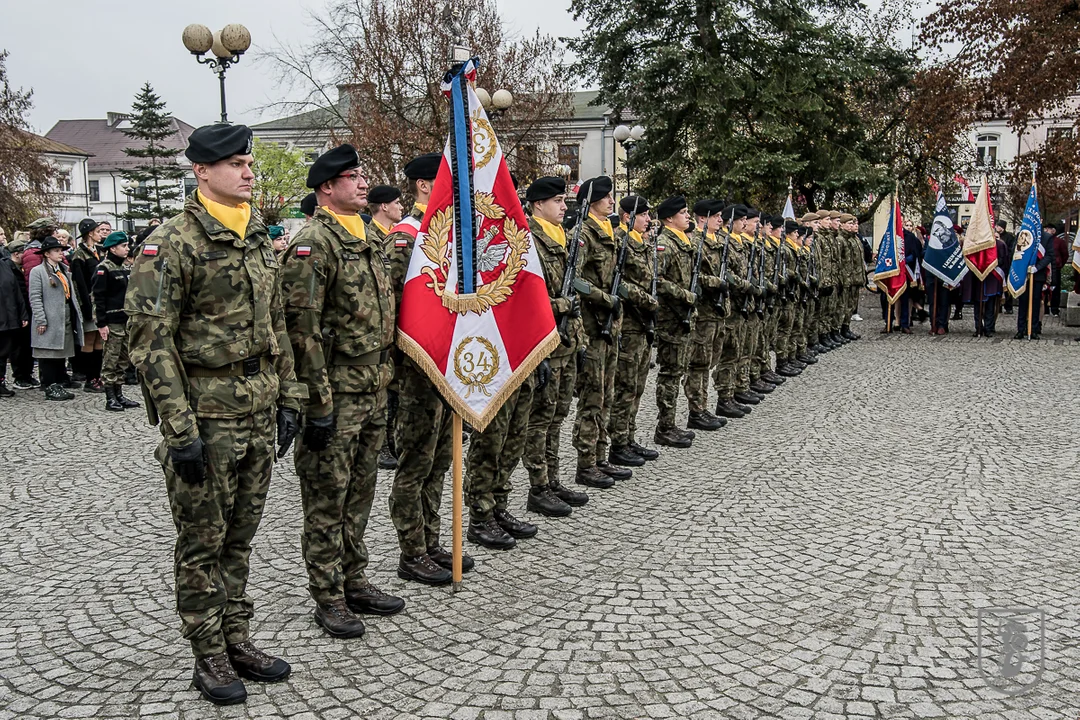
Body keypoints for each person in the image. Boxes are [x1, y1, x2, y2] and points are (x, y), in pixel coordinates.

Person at [126, 123, 305, 706]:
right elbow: (151, 341)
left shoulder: (255, 234)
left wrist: (289, 396)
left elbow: (277, 325)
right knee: (202, 541)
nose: (248, 172)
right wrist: (179, 430)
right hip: (206, 415)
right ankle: (208, 654)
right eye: (235, 163)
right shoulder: (172, 242)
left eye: (249, 162)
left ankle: (236, 636)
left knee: (241, 538)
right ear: (202, 171)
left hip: (256, 409)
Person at [281, 144, 405, 636]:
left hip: (373, 386)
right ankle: (328, 594)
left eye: (361, 175)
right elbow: (300, 329)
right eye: (351, 177)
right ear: (327, 187)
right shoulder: (315, 243)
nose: (362, 184)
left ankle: (354, 577)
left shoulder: (369, 239)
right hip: (336, 390)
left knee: (361, 490)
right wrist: (316, 402)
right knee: (327, 497)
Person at [386, 152, 473, 582]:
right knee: (416, 463)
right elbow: (397, 307)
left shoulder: (448, 234)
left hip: (448, 365)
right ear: (425, 186)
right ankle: (411, 550)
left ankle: (432, 541)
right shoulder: (407, 237)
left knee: (440, 460)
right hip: (419, 370)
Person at [523, 176, 591, 515]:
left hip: (567, 343)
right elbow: (526, 299)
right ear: (538, 204)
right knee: (540, 418)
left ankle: (551, 479)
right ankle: (537, 486)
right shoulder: (528, 242)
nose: (565, 207)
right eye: (558, 201)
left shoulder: (561, 238)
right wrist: (563, 306)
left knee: (557, 416)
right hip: (544, 345)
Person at [571, 176, 629, 486]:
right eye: (606, 197)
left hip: (611, 328)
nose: (611, 201)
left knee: (606, 395)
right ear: (593, 201)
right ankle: (585, 463)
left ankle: (600, 457)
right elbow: (576, 281)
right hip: (593, 327)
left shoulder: (610, 231)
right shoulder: (583, 233)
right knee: (592, 398)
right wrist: (605, 298)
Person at [607, 195, 662, 465]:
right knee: (625, 386)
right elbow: (620, 284)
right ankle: (617, 444)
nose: (648, 220)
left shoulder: (642, 243)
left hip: (643, 324)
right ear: (628, 216)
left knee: (638, 386)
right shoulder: (620, 241)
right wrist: (648, 301)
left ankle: (628, 437)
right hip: (628, 323)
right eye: (644, 215)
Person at [652, 195, 699, 447]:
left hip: (683, 317)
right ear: (669, 218)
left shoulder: (684, 243)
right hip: (670, 319)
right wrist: (685, 295)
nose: (688, 216)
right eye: (683, 212)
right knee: (669, 374)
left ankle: (670, 424)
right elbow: (657, 281)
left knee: (678, 371)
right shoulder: (664, 244)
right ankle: (664, 427)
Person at [681, 199, 728, 432]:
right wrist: (717, 282)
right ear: (702, 218)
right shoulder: (696, 242)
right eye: (716, 216)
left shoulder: (717, 241)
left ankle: (703, 405)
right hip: (704, 312)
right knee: (698, 362)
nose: (721, 220)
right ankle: (696, 410)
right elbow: (695, 275)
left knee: (710, 360)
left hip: (717, 312)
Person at [28, 237, 84, 400]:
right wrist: (41, 319)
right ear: (47, 254)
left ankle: (60, 380)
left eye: (61, 250)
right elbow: (35, 297)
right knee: (48, 352)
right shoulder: (38, 272)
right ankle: (50, 384)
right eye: (57, 251)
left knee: (61, 351)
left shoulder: (63, 269)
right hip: (49, 316)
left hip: (64, 316)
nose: (61, 253)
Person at [92, 231, 140, 411]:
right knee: (110, 360)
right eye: (124, 246)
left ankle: (119, 393)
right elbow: (98, 298)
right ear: (113, 248)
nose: (127, 249)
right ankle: (110, 396)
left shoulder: (123, 267)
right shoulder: (104, 269)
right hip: (111, 322)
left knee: (122, 359)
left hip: (124, 320)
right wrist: (101, 323)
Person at [70, 217, 108, 392]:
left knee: (100, 339)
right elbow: (80, 284)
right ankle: (89, 377)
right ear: (89, 233)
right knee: (90, 339)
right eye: (97, 230)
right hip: (88, 302)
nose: (100, 233)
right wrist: (85, 307)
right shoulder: (80, 255)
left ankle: (97, 376)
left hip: (100, 301)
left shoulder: (99, 252)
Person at [0, 236, 29, 396]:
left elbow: (16, 292)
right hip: (4, 317)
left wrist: (23, 314)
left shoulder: (5, 266)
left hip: (9, 317)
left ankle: (1, 382)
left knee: (4, 352)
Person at [1015, 227, 1054, 339]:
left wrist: (1037, 267)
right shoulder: (1022, 234)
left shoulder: (1046, 237)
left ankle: (1033, 329)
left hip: (1038, 274)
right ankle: (1020, 329)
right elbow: (1016, 251)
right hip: (1024, 274)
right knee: (1023, 302)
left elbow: (1049, 255)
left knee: (1036, 302)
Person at [366, 185, 404, 250]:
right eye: (397, 203)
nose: (401, 207)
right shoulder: (367, 237)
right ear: (384, 207)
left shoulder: (400, 233)